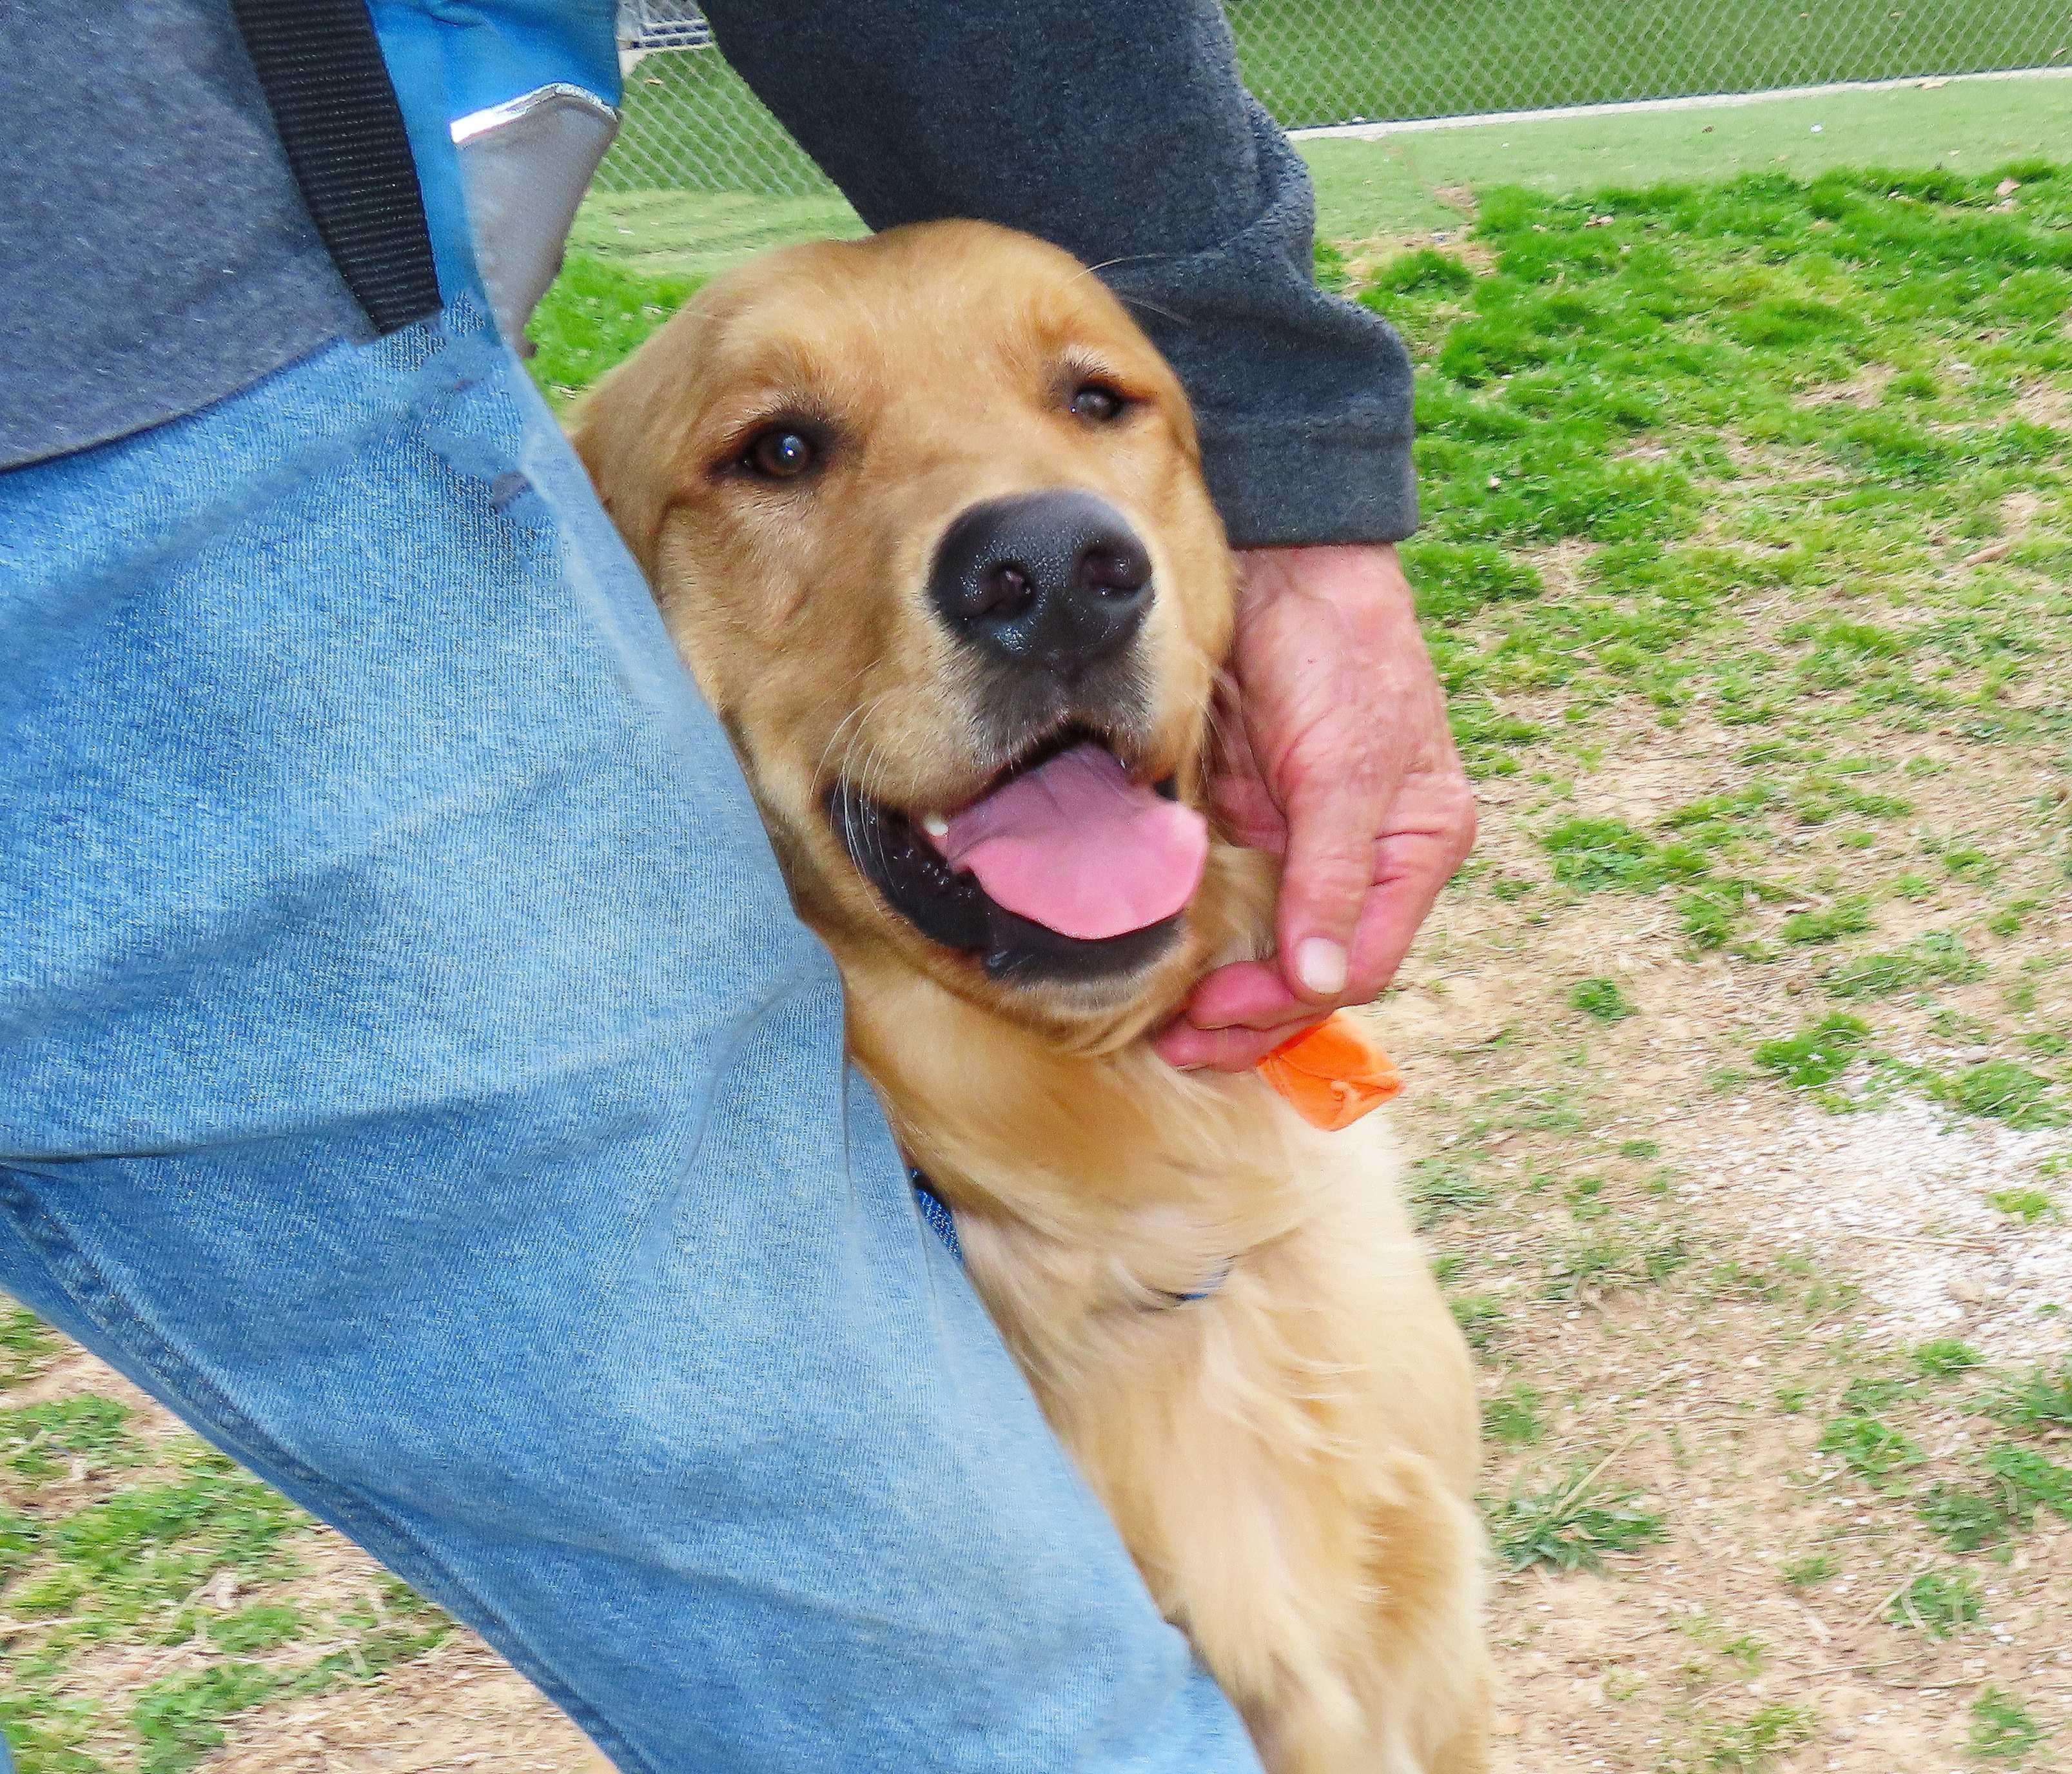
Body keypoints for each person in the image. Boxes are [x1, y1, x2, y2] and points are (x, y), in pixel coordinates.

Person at [0, 1, 1472, 1767]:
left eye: (1095, 402)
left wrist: (1306, 489)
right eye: (779, 454)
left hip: (174, 377)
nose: (1036, 531)